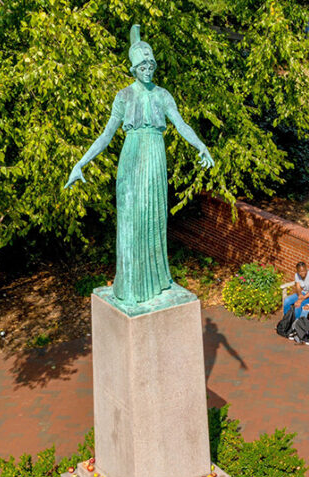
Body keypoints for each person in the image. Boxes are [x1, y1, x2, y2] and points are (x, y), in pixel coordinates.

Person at [64, 25, 214, 306]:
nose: (147, 68)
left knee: (155, 218)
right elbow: (106, 135)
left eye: (151, 63)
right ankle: (131, 286)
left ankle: (156, 282)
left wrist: (201, 145)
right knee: (132, 220)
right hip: (132, 158)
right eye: (142, 64)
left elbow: (181, 124)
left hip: (155, 157)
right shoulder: (123, 96)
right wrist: (81, 163)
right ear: (133, 67)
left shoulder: (163, 95)